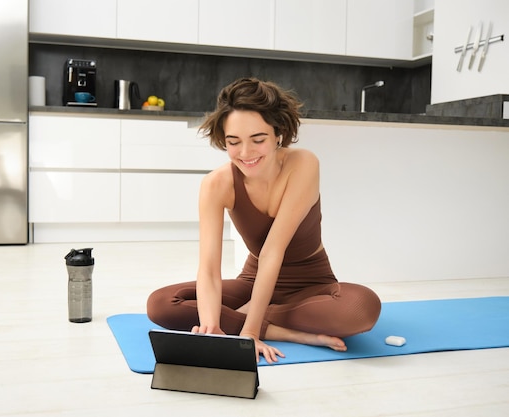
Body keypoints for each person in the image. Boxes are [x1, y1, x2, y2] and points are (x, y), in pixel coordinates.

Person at [146, 77, 381, 363]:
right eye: (234, 142)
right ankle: (288, 332)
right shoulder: (216, 184)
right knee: (161, 304)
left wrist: (251, 330)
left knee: (360, 309)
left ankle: (256, 318)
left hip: (310, 284)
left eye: (258, 140)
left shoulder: (303, 164)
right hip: (253, 280)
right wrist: (212, 328)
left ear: (278, 134)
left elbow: (273, 251)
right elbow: (208, 267)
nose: (245, 153)